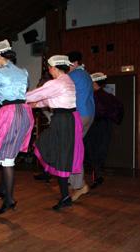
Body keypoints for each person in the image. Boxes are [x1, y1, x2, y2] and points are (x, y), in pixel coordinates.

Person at [26, 55, 84, 211]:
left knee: (59, 155)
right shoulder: (67, 81)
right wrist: (35, 105)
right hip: (66, 119)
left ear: (55, 68)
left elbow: (38, 93)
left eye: (49, 68)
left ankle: (65, 196)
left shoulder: (57, 83)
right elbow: (48, 99)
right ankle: (62, 191)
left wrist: (17, 98)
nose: (49, 70)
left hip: (63, 121)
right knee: (52, 148)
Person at [0, 40, 34, 214]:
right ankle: (1, 189)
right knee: (8, 153)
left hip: (9, 113)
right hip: (25, 113)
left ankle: (9, 199)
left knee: (6, 158)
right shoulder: (24, 72)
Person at [85, 72, 124, 189]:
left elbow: (95, 111)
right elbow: (119, 108)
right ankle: (97, 175)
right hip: (105, 125)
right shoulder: (109, 96)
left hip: (96, 125)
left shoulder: (94, 96)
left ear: (95, 83)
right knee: (100, 149)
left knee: (93, 149)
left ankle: (97, 177)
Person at [67, 51, 95, 201]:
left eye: (69, 64)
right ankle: (73, 182)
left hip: (79, 115)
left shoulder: (74, 75)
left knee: (73, 150)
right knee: (73, 147)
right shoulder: (86, 74)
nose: (68, 67)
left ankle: (80, 185)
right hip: (88, 114)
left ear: (75, 63)